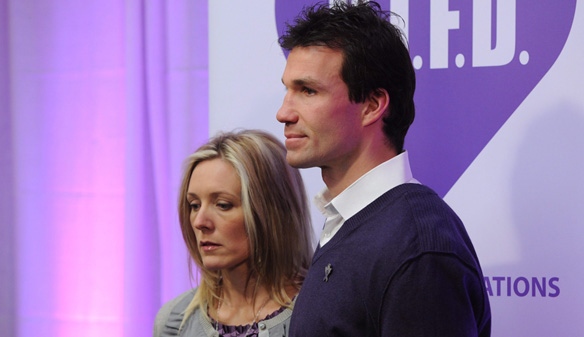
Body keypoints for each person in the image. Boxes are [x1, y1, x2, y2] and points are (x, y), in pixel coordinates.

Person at [276, 1, 491, 336]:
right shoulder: (352, 222)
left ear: (372, 106)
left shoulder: (418, 247)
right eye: (287, 90)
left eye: (307, 91)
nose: (284, 112)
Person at [153, 129, 314, 337]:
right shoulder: (174, 324)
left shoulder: (318, 313)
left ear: (270, 212)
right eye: (194, 205)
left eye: (223, 205)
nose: (200, 222)